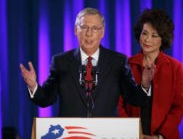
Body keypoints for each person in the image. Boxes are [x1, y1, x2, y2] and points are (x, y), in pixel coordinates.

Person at [20, 7, 155, 117]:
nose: (89, 33)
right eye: (84, 27)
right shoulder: (60, 62)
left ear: (102, 32)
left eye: (95, 28)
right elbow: (46, 99)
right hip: (71, 135)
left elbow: (134, 98)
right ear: (75, 30)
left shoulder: (117, 62)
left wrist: (145, 85)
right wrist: (33, 86)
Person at [118, 8, 183, 139]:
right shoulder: (126, 65)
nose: (147, 39)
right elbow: (119, 105)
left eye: (154, 35)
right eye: (144, 33)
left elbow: (178, 107)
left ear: (163, 39)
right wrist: (133, 134)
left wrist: (161, 136)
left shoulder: (176, 68)